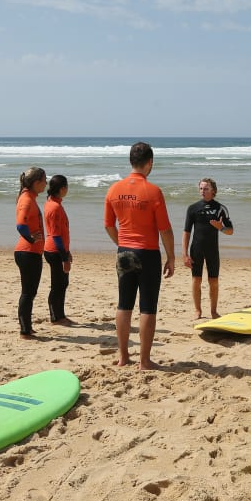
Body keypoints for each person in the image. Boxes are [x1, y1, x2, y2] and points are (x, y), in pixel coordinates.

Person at [104, 142, 175, 370]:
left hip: (124, 251)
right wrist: (171, 257)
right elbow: (165, 229)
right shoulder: (153, 191)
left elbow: (108, 225)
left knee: (124, 304)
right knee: (147, 307)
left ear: (131, 161)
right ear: (150, 162)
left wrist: (122, 244)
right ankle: (144, 361)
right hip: (148, 254)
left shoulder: (114, 189)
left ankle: (124, 357)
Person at [182, 177, 234, 319]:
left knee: (213, 281)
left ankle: (213, 311)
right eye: (201, 188)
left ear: (213, 191)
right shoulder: (193, 208)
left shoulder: (220, 208)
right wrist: (185, 254)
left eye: (206, 189)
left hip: (212, 251)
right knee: (196, 280)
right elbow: (186, 232)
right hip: (196, 249)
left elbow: (230, 231)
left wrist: (221, 227)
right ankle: (197, 311)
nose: (202, 191)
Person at [14, 166, 47, 338]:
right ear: (36, 183)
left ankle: (27, 327)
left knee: (31, 292)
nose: (46, 183)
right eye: (44, 180)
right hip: (27, 252)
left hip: (31, 252)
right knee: (28, 292)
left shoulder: (29, 197)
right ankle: (24, 331)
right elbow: (20, 225)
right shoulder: (26, 199)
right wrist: (32, 239)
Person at [44, 174, 73, 326]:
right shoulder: (54, 207)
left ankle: (60, 315)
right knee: (57, 285)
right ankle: (55, 317)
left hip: (59, 249)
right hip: (54, 251)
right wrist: (64, 258)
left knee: (63, 284)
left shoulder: (53, 202)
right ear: (62, 189)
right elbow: (56, 236)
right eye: (67, 187)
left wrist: (67, 252)